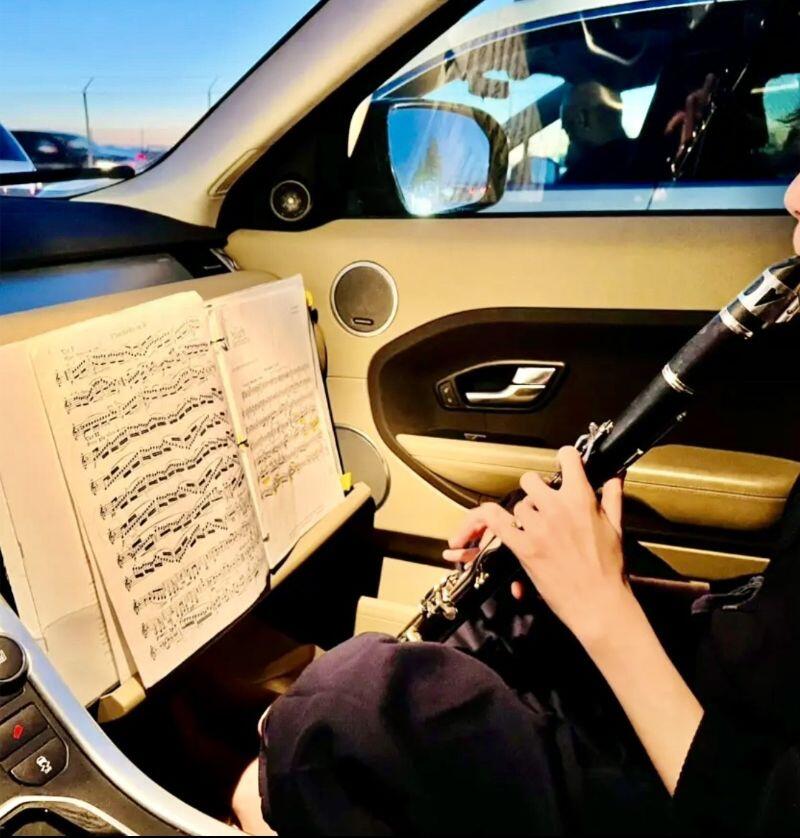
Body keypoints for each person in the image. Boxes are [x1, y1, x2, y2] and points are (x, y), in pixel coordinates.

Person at [231, 171, 800, 834]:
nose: (793, 193)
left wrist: (605, 611)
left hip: (721, 790)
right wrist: (583, 574)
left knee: (343, 706)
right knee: (509, 607)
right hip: (748, 713)